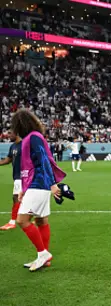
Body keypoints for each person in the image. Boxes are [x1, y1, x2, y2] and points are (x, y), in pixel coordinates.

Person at [11, 109, 66, 271]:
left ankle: (43, 254)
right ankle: (43, 258)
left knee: (22, 220)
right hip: (36, 183)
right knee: (41, 220)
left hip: (39, 183)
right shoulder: (32, 137)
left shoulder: (33, 137)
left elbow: (43, 161)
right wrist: (23, 188)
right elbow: (30, 165)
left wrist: (52, 183)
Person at [0, 130, 21, 230]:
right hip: (17, 176)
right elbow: (8, 159)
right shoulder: (13, 146)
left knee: (16, 197)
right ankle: (37, 217)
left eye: (10, 133)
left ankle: (12, 222)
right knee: (23, 198)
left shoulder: (24, 145)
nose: (8, 135)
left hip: (23, 176)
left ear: (17, 133)